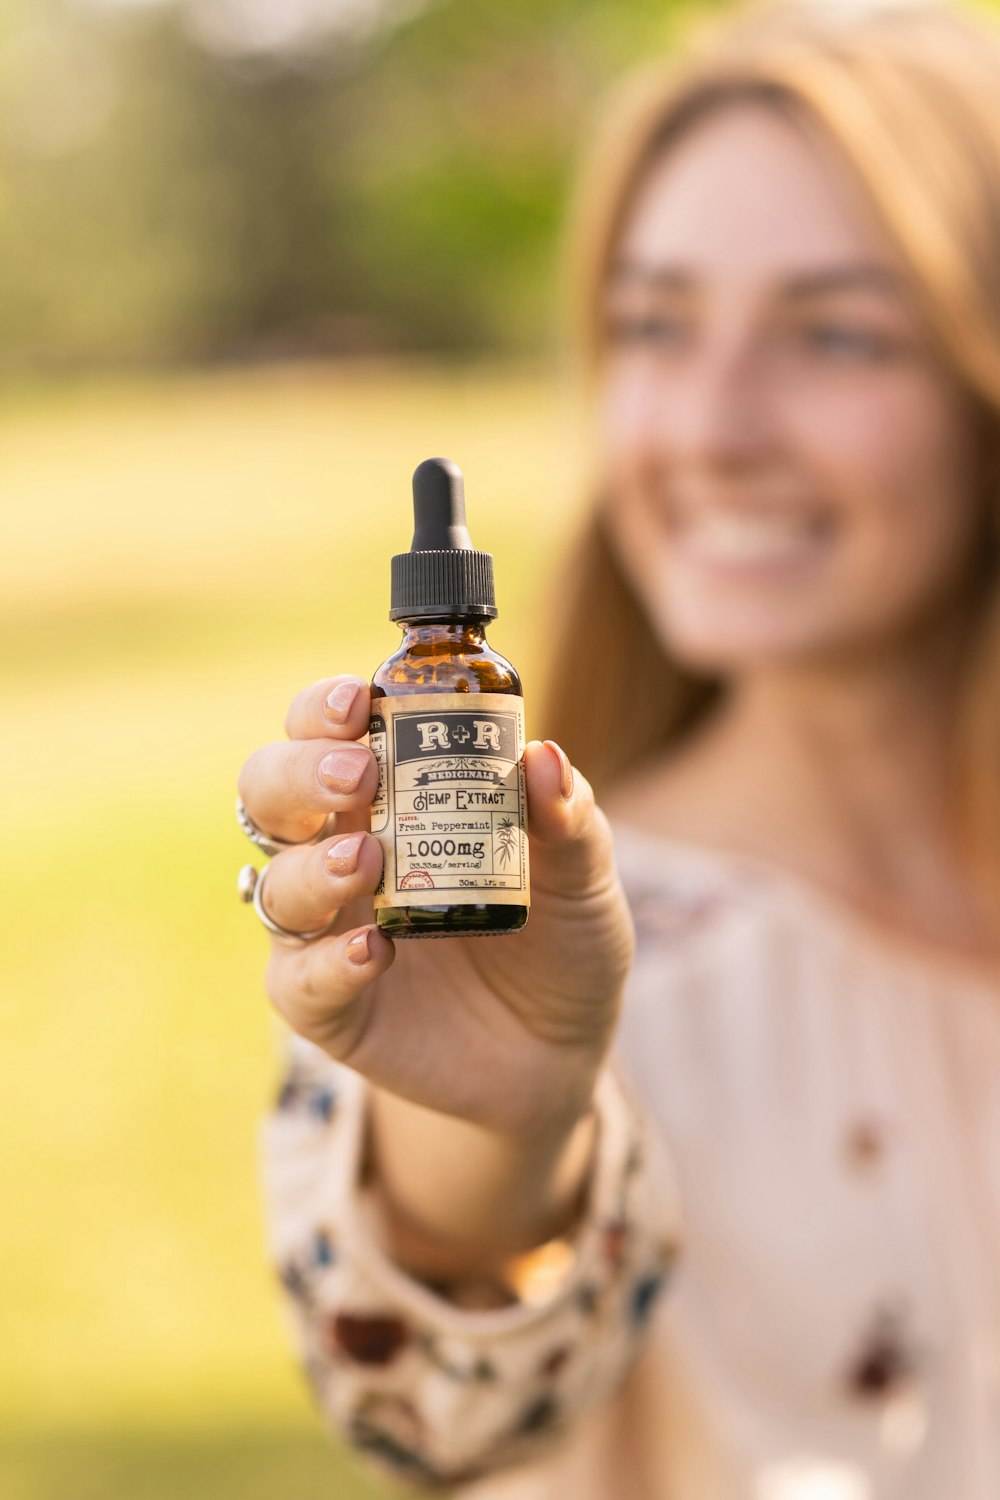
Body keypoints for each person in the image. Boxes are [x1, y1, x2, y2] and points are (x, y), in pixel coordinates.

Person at [235, 0, 1000, 1494]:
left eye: (835, 332)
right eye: (655, 324)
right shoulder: (525, 934)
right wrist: (503, 1132)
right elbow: (433, 1399)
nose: (709, 428)